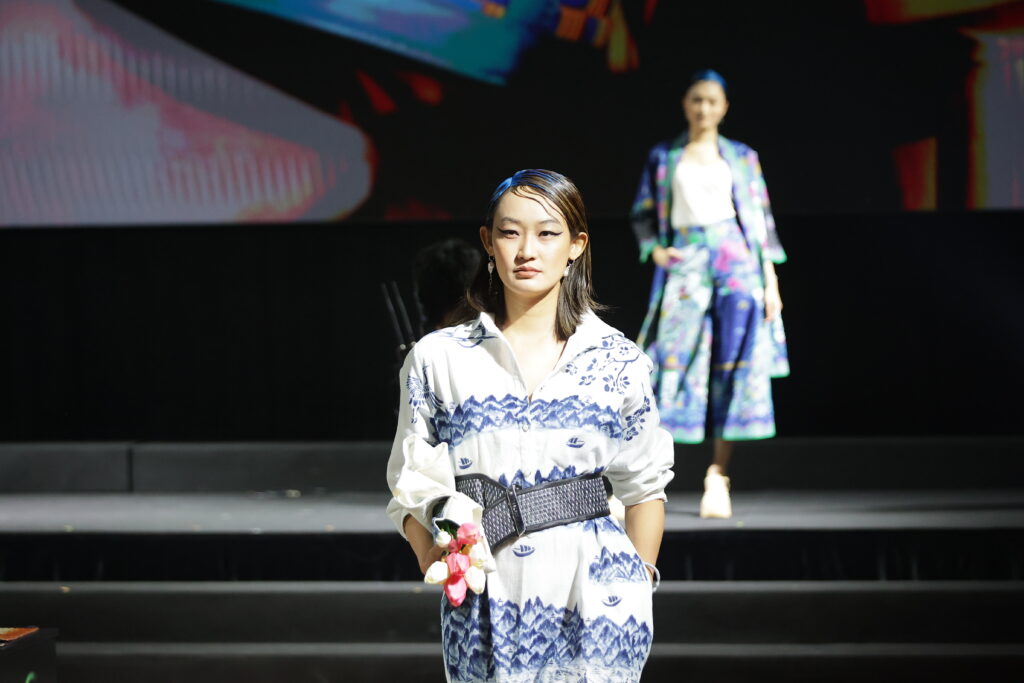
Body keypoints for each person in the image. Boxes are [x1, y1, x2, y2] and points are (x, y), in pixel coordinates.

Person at [386, 169, 674, 682]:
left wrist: (640, 579)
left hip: (599, 600)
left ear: (575, 246)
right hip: (486, 602)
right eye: (509, 232)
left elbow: (644, 485)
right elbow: (411, 479)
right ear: (488, 243)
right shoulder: (438, 359)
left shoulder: (619, 360)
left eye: (547, 233)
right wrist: (431, 548)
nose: (526, 250)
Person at [630, 69, 789, 520]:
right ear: (686, 104)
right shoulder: (665, 156)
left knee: (735, 362)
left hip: (736, 260)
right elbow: (643, 212)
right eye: (697, 99)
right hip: (688, 257)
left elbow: (760, 219)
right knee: (669, 360)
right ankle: (640, 479)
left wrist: (770, 281)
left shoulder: (742, 157)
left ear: (724, 107)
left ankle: (718, 475)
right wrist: (655, 251)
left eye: (712, 101)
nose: (704, 108)